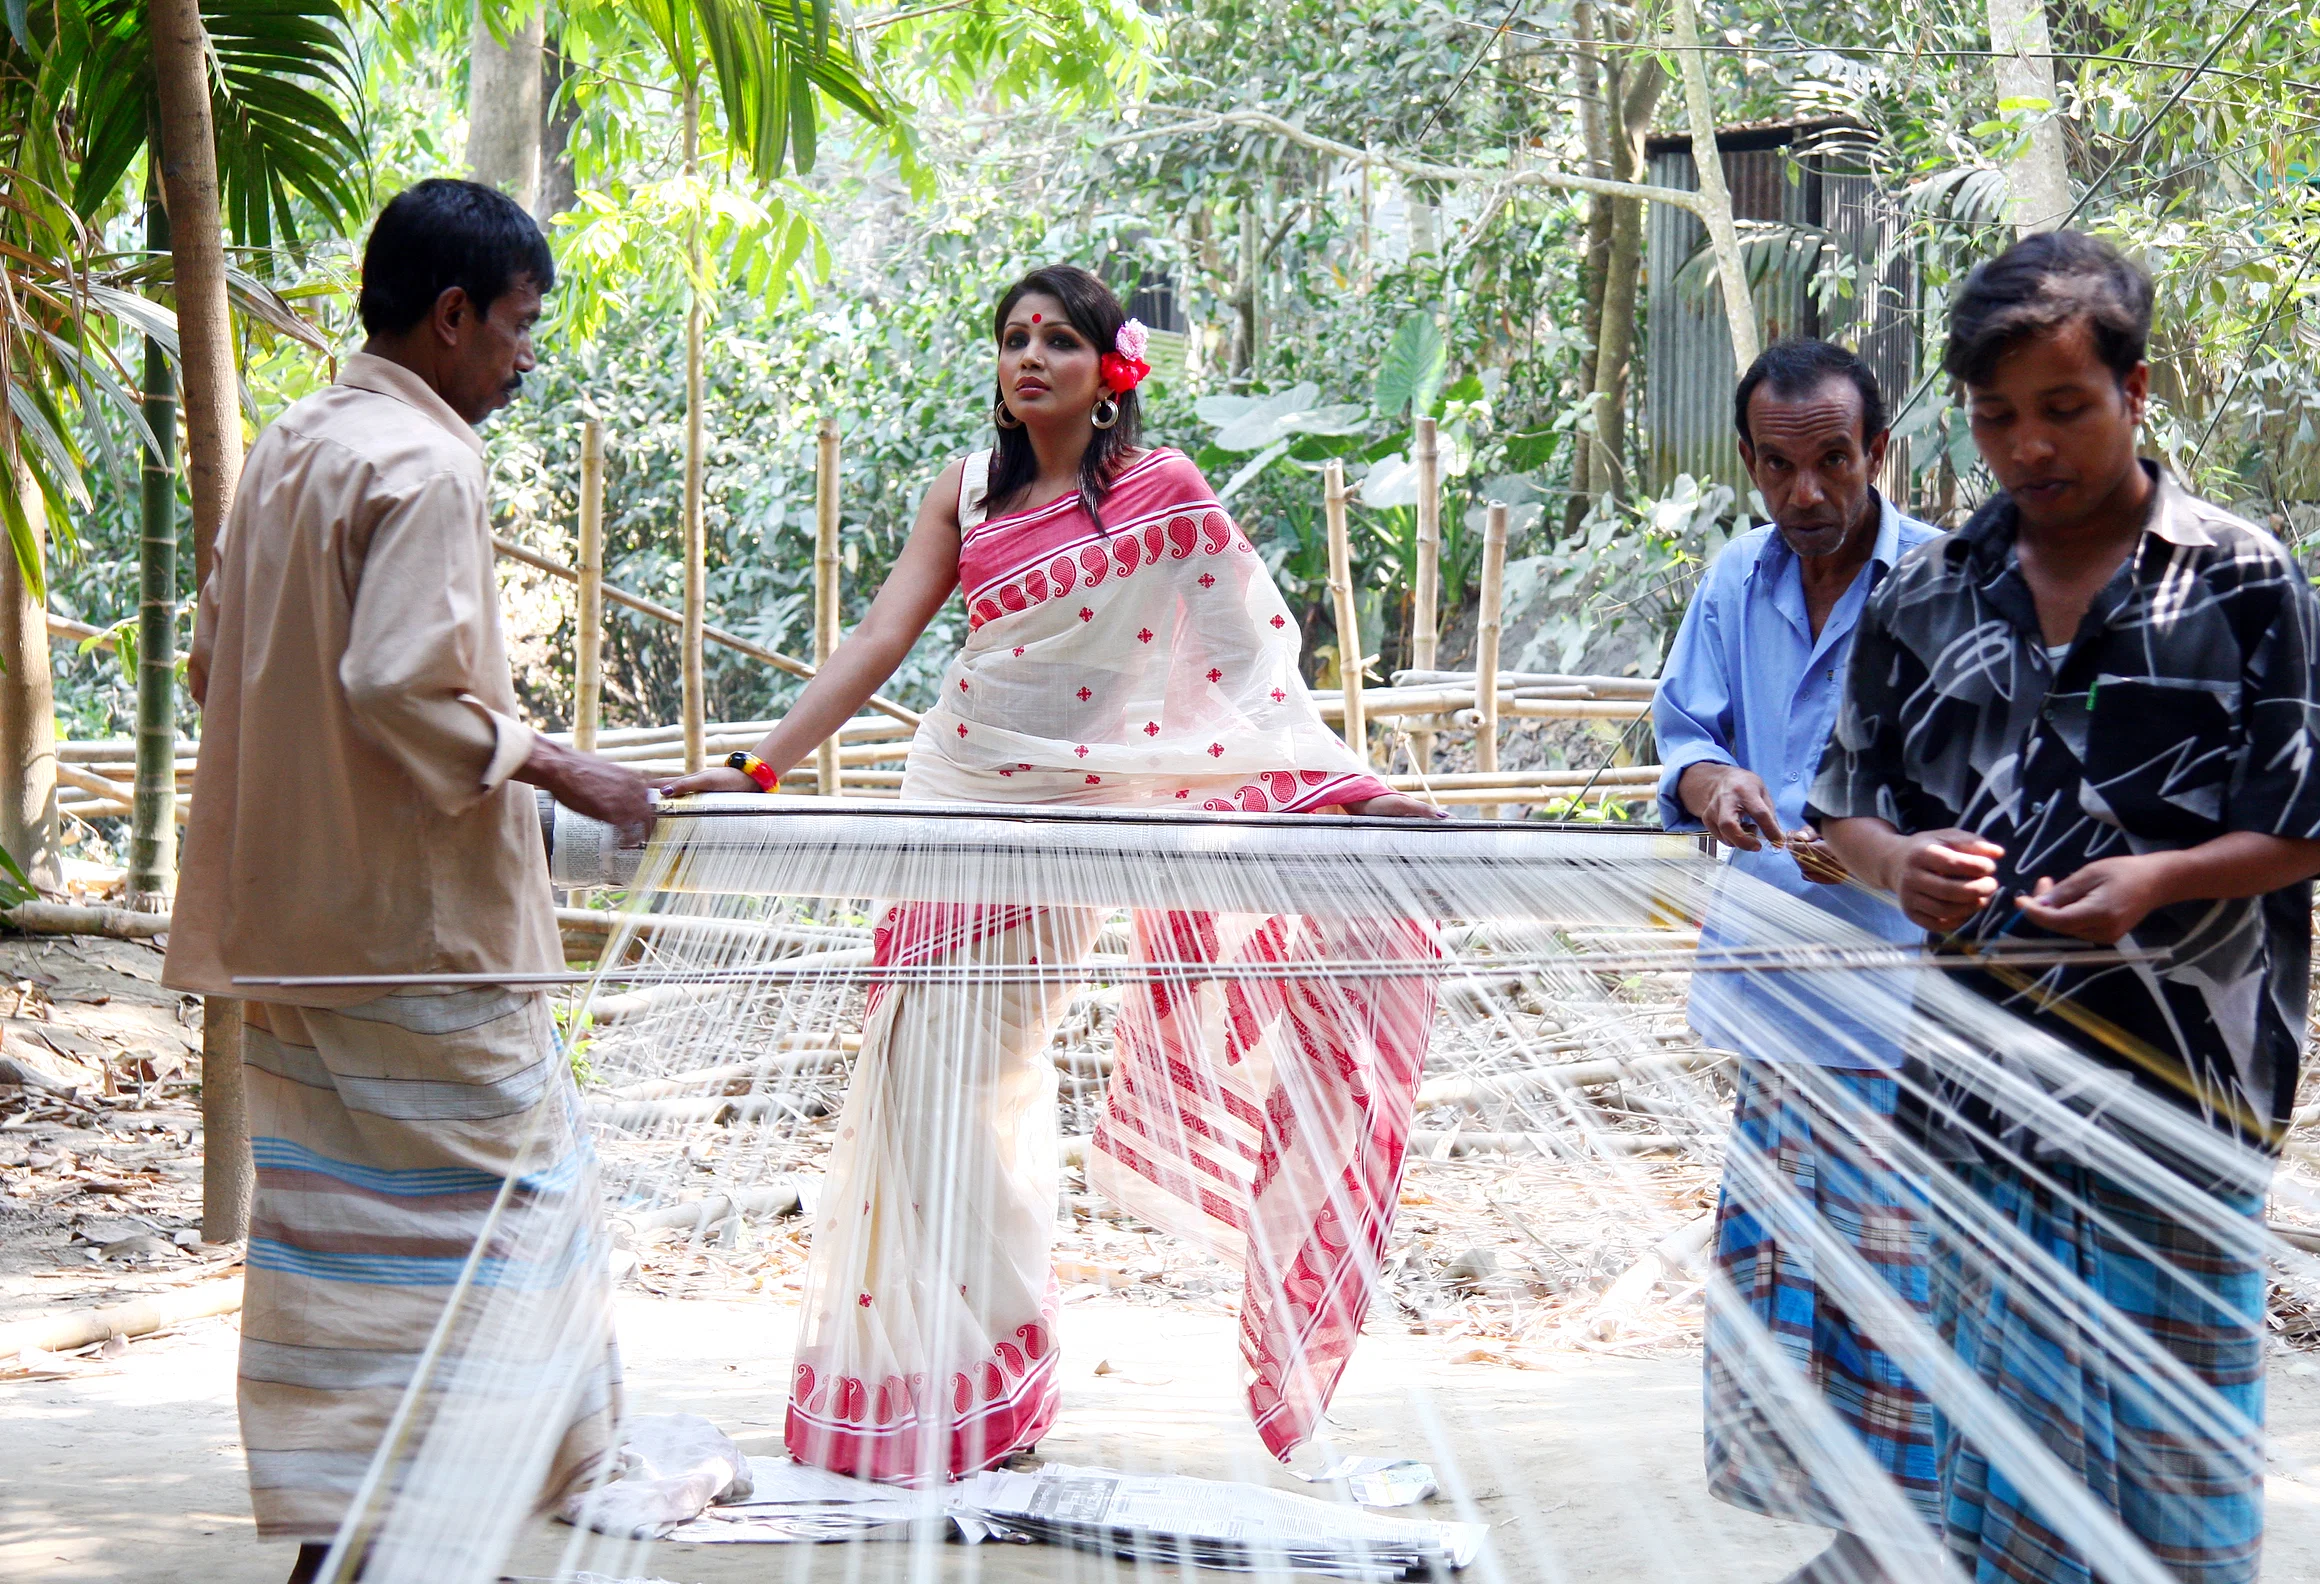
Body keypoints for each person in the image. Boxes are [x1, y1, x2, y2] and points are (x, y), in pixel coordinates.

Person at [662, 264, 1444, 1483]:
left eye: (1060, 340)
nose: (1031, 358)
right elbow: (879, 638)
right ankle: (924, 1389)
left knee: (989, 1086)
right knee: (915, 1093)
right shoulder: (967, 491)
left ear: (1108, 368)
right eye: (1015, 339)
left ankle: (986, 1380)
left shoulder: (1162, 493)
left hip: (1066, 822)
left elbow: (1250, 673)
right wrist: (757, 769)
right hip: (952, 796)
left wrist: (1355, 786)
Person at [1810, 232, 2320, 1583]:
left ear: (2136, 387)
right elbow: (1841, 806)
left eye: (2063, 407)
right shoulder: (1927, 596)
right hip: (1970, 1109)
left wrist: (2164, 881)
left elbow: (2315, 821)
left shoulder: (2243, 583)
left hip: (2179, 1109)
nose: (2028, 448)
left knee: (2175, 1476)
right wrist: (1899, 866)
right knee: (2000, 1471)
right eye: (1999, 419)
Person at [164, 180, 655, 1584]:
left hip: (288, 934)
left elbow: (216, 666)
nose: (523, 358)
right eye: (517, 328)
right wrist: (564, 769)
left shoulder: (299, 441)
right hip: (421, 948)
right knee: (523, 1242)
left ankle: (362, 1547)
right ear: (450, 318)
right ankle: (447, 1542)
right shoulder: (429, 467)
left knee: (348, 1267)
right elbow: (395, 681)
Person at [1654, 338, 1942, 1582]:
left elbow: (1978, 783)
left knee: (1904, 1279)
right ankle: (1858, 1534)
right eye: (1780, 466)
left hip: (1907, 1010)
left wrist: (1872, 848)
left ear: (1880, 451)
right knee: (1792, 1284)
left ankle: (1915, 1533)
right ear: (1750, 464)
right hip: (1778, 1001)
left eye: (1834, 459)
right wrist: (1716, 788)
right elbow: (1686, 731)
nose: (1808, 492)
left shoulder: (1940, 583)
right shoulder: (1735, 581)